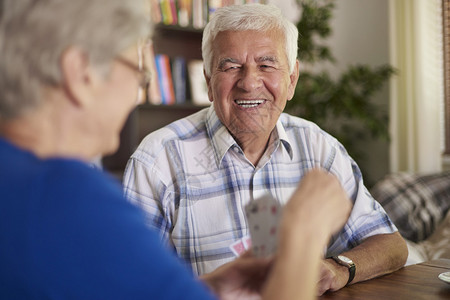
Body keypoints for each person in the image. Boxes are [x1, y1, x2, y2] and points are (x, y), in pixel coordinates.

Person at [0, 0, 352, 299]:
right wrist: (301, 239)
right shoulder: (69, 198)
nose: (138, 90)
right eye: (138, 74)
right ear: (81, 73)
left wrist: (208, 288)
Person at [123, 3, 408, 295]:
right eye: (231, 66)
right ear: (209, 82)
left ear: (292, 80)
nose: (249, 82)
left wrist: (337, 269)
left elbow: (391, 245)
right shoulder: (157, 161)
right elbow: (125, 285)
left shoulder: (320, 148)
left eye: (266, 65)